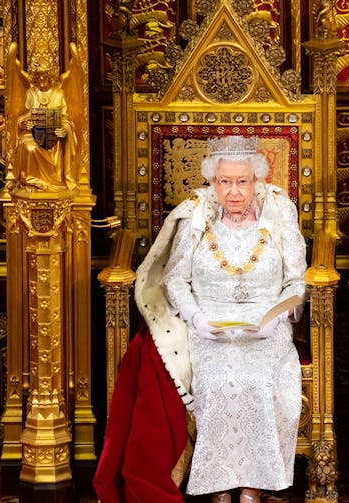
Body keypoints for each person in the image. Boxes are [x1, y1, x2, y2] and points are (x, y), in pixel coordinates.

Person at [94, 135, 306, 503]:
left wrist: (278, 316)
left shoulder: (280, 213)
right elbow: (175, 277)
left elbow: (297, 279)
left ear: (257, 181)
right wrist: (195, 317)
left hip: (265, 326)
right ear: (212, 182)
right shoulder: (196, 214)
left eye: (242, 181)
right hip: (209, 325)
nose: (234, 191)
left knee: (257, 380)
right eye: (225, 182)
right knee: (219, 380)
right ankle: (220, 486)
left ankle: (253, 486)